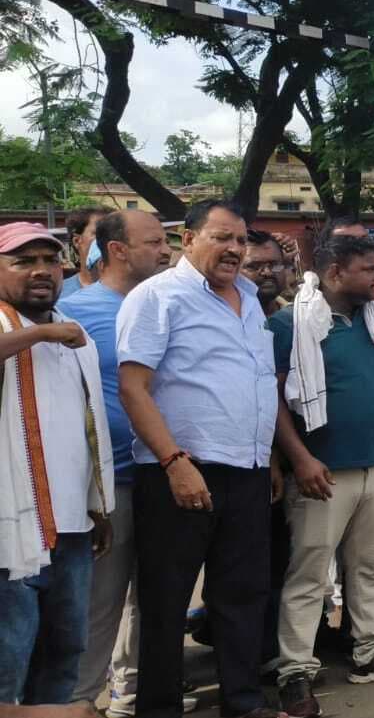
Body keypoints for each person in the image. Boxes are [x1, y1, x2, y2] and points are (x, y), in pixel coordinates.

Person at [117, 200, 279, 718]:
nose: (234, 249)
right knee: (166, 603)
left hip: (247, 472)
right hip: (181, 472)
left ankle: (243, 702)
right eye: (221, 237)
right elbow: (133, 388)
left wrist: (267, 457)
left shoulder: (251, 298)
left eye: (240, 240)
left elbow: (255, 386)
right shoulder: (158, 297)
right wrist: (173, 462)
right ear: (187, 240)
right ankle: (159, 708)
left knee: (242, 594)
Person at [270, 236, 374, 714]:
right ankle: (295, 670)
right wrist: (299, 459)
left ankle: (370, 650)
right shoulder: (290, 325)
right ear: (336, 272)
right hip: (323, 469)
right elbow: (273, 399)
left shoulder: (370, 323)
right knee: (310, 575)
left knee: (368, 566)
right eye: (370, 271)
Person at [58, 212, 174, 713]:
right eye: (156, 241)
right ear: (119, 250)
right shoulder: (71, 312)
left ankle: (133, 694)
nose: (167, 251)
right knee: (99, 606)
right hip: (111, 485)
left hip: (169, 474)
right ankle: (80, 702)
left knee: (156, 599)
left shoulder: (171, 304)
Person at [0, 223, 114, 706]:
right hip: (11, 535)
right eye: (23, 262)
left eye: (51, 260)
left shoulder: (71, 326)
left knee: (65, 650)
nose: (43, 271)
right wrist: (41, 333)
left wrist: (98, 506)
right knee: (9, 658)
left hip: (70, 527)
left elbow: (89, 428)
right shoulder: (17, 325)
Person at [60, 206, 111, 300]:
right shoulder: (58, 294)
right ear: (77, 241)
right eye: (100, 233)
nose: (110, 239)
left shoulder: (135, 292)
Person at [242, 231, 291, 317]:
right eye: (254, 266)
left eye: (274, 265)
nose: (268, 272)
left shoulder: (299, 317)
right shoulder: (221, 320)